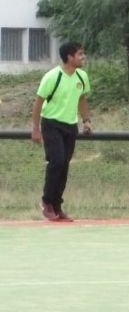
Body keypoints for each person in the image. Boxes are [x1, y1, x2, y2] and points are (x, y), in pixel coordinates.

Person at [31, 41, 93, 222]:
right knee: (56, 161)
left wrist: (86, 120)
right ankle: (46, 202)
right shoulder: (52, 76)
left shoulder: (82, 77)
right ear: (69, 57)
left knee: (64, 165)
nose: (83, 57)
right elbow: (38, 103)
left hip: (70, 126)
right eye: (80, 54)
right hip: (51, 124)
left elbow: (82, 99)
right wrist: (35, 129)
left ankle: (57, 206)